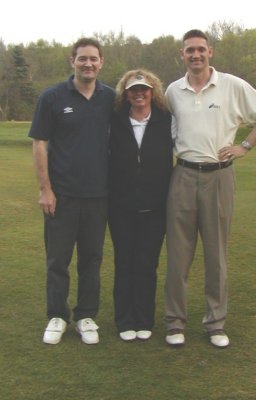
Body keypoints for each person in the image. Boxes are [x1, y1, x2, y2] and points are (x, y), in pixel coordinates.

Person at [164, 29, 256, 348]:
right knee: (178, 255)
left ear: (210, 52)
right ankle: (175, 323)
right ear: (182, 54)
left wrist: (244, 145)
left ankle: (215, 324)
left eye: (201, 49)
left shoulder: (231, 85)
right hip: (183, 175)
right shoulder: (174, 90)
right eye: (190, 50)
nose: (196, 55)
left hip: (219, 177)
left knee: (216, 255)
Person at [28, 38, 115, 345]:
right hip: (61, 196)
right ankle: (57, 315)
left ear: (101, 62)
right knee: (57, 260)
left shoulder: (111, 98)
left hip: (99, 196)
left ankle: (85, 316)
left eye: (93, 59)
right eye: (82, 59)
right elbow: (39, 143)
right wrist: (45, 190)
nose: (88, 64)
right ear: (72, 61)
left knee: (91, 259)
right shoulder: (52, 97)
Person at [108, 69, 173, 341]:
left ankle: (144, 319)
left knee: (146, 264)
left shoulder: (165, 120)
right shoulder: (115, 120)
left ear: (152, 92)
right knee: (124, 263)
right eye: (133, 89)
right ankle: (125, 320)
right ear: (126, 92)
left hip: (155, 208)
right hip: (120, 207)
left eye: (144, 89)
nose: (139, 94)